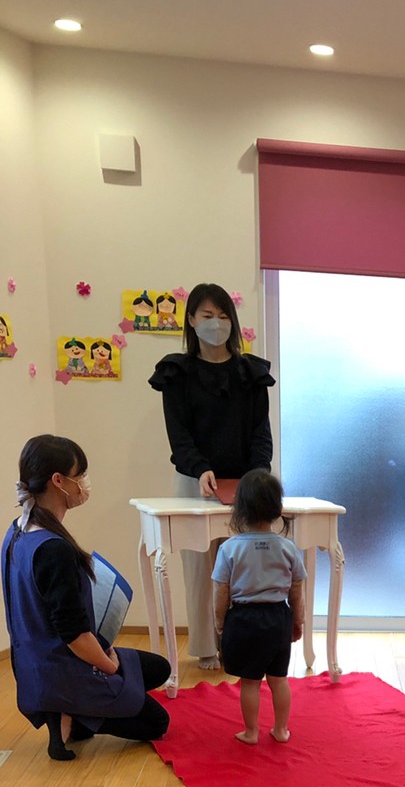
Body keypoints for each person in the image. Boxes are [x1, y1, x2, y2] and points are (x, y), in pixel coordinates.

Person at [2, 435, 170, 760]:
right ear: (58, 481)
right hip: (65, 667)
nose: (84, 482)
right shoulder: (53, 549)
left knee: (158, 669)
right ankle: (73, 714)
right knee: (157, 722)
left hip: (35, 664)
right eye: (80, 475)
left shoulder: (17, 531)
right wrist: (109, 665)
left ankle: (66, 714)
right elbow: (74, 636)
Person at [148, 282, 274, 669]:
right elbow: (178, 434)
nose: (216, 323)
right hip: (195, 482)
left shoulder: (251, 373)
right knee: (200, 570)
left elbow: (261, 433)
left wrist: (256, 478)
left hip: (245, 486)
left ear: (232, 322)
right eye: (207, 316)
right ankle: (205, 647)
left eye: (223, 316)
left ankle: (240, 643)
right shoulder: (177, 373)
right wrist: (200, 468)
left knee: (244, 566)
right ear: (191, 320)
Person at [212, 468, 306, 745]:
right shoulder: (288, 548)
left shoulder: (229, 548)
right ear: (277, 509)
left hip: (244, 619)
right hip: (278, 617)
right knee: (279, 680)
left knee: (250, 682)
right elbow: (297, 590)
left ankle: (251, 732)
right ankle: (281, 730)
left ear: (240, 509)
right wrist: (297, 621)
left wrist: (219, 622)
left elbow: (221, 591)